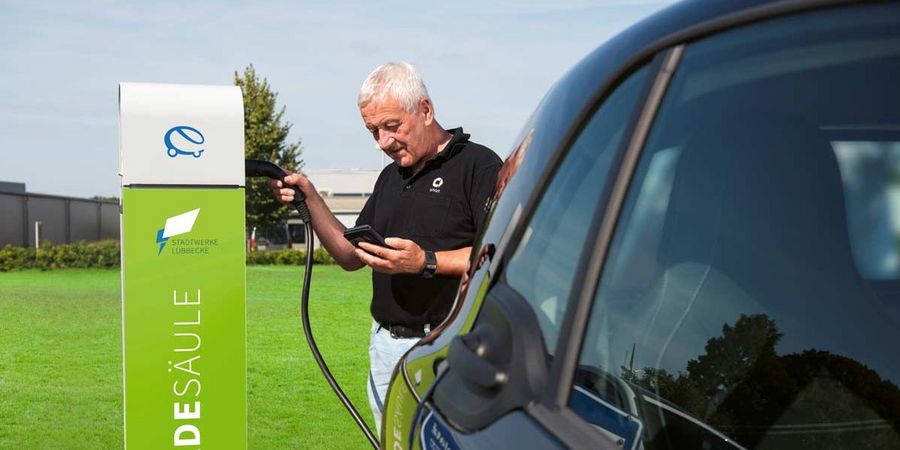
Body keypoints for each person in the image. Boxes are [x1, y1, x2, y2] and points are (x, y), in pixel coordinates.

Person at [271, 61, 502, 430]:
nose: (383, 142)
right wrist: (310, 198)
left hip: (448, 344)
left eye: (392, 126)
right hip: (385, 348)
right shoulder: (389, 177)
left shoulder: (479, 166)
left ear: (425, 110)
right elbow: (349, 256)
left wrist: (426, 262)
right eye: (373, 131)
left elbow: (500, 252)